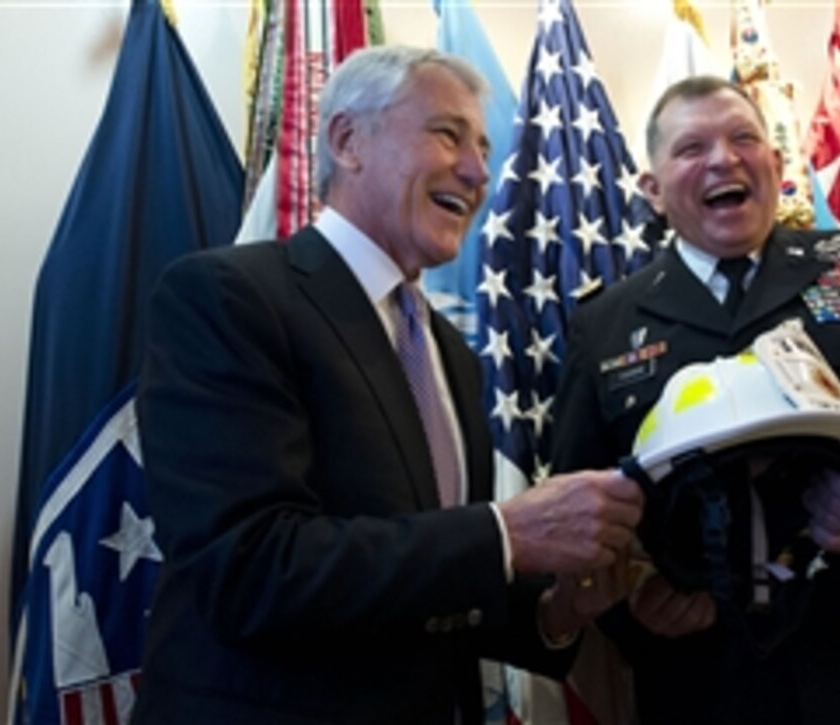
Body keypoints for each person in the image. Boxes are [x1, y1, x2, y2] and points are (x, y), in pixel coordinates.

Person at [133, 45, 644, 725]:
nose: (477, 169)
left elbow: (432, 587)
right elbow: (249, 570)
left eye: (484, 147)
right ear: (347, 141)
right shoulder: (230, 298)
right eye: (447, 133)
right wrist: (504, 533)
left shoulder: (451, 353)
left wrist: (555, 610)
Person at [550, 74, 840, 725]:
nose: (724, 158)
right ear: (652, 190)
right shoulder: (602, 324)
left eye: (745, 138)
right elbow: (580, 503)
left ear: (775, 163)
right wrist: (638, 595)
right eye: (692, 148)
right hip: (708, 686)